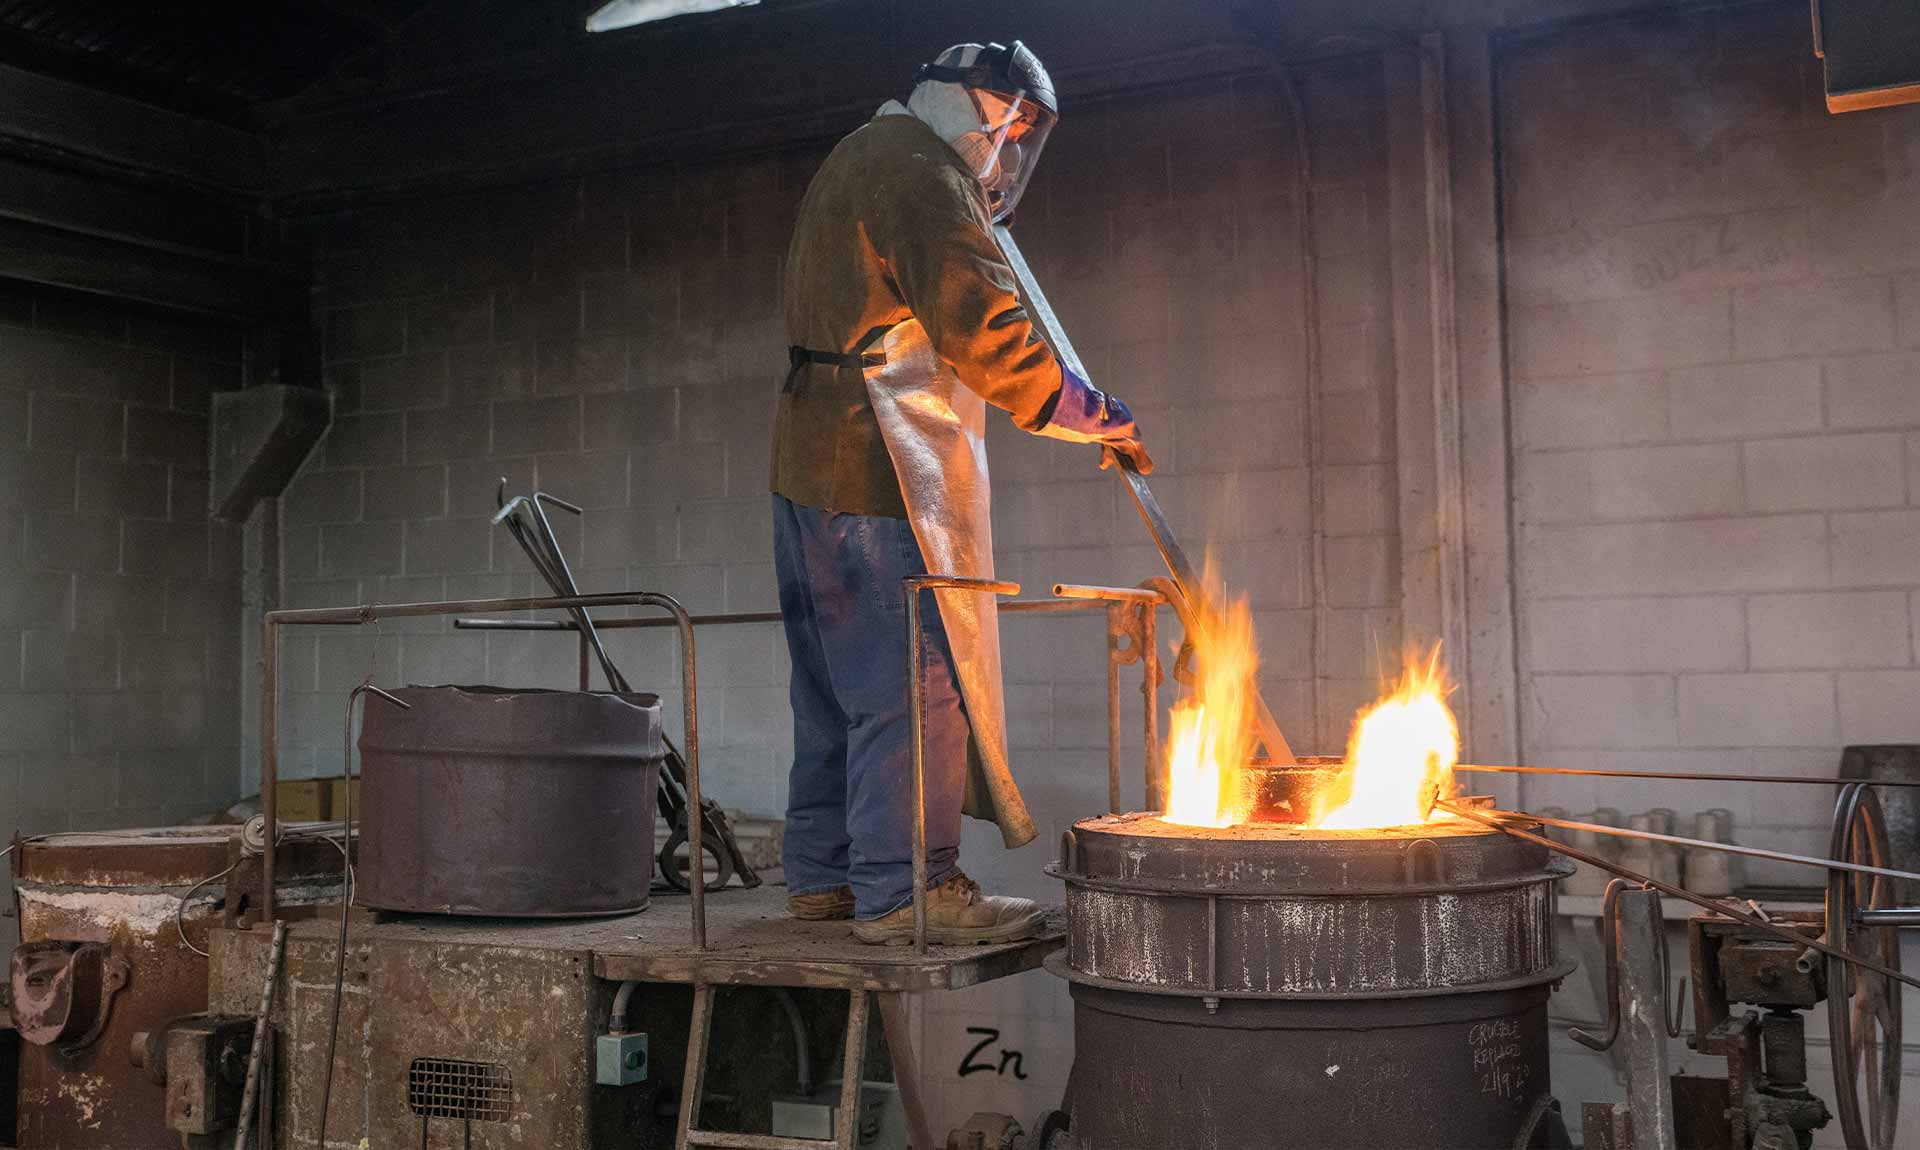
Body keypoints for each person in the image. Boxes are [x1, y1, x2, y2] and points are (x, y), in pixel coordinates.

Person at [771, 41, 1152, 945]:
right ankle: (909, 891)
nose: (1008, 153)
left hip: (804, 464)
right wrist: (1090, 411)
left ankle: (824, 877)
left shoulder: (859, 152)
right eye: (1010, 131)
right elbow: (984, 327)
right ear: (984, 107)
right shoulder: (921, 175)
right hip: (878, 467)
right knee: (915, 681)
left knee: (833, 684)